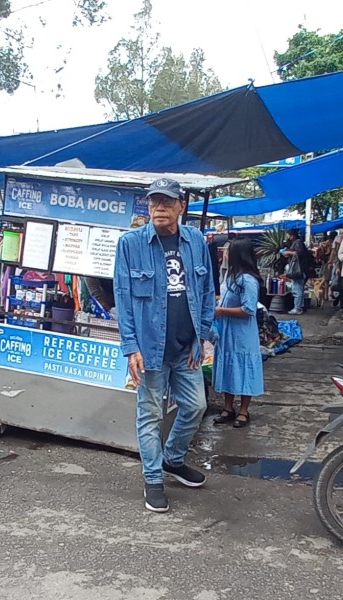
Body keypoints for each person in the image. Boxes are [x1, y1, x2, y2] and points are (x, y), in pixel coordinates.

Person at [114, 177, 215, 513]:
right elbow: (123, 297)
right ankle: (153, 479)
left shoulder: (196, 241)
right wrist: (130, 346)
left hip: (187, 347)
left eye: (167, 202)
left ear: (180, 206)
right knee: (150, 415)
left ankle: (172, 459)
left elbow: (206, 290)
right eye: (154, 201)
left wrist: (203, 335)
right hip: (150, 349)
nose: (159, 207)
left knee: (196, 406)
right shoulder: (131, 244)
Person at [212, 239, 264, 429]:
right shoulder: (230, 276)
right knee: (228, 366)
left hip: (242, 332)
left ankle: (243, 410)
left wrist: (221, 311)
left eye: (228, 251)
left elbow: (248, 309)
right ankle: (227, 407)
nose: (224, 254)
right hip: (227, 330)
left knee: (243, 367)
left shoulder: (248, 280)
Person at [281, 228, 309, 315]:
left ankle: (298, 308)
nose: (287, 237)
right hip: (301, 269)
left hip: (298, 269)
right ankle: (300, 306)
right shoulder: (298, 242)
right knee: (299, 287)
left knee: (297, 288)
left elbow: (298, 253)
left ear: (291, 235)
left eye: (287, 235)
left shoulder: (297, 242)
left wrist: (288, 253)